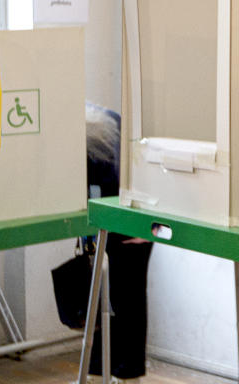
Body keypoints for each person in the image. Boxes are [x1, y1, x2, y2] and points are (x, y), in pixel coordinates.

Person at [84, 102, 153, 382]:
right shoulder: (98, 124)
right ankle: (102, 368)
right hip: (122, 217)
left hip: (133, 217)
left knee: (127, 297)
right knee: (110, 296)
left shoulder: (97, 133)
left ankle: (126, 371)